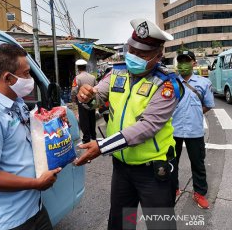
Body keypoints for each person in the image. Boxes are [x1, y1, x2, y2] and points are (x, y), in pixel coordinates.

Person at [74, 18, 184, 230]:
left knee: (159, 225)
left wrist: (102, 146)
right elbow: (98, 97)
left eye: (142, 54)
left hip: (153, 171)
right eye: (131, 50)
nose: (134, 57)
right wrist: (87, 96)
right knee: (122, 224)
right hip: (122, 170)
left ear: (158, 56)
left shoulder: (166, 84)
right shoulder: (117, 73)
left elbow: (147, 127)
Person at [0, 43, 62, 230]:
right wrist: (36, 183)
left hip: (34, 209)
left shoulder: (16, 102)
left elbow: (29, 134)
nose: (30, 79)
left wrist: (55, 120)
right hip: (8, 221)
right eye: (26, 74)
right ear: (8, 78)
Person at [172, 50, 214, 209]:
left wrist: (194, 114)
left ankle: (200, 193)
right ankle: (173, 188)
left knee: (198, 163)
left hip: (194, 131)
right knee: (171, 162)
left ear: (194, 63)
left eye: (186, 61)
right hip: (173, 130)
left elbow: (208, 105)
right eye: (180, 61)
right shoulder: (172, 82)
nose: (183, 65)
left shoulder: (204, 83)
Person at [71, 59, 97, 143]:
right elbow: (96, 88)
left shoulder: (77, 78)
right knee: (92, 117)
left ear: (78, 68)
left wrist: (74, 99)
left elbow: (74, 90)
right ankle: (93, 135)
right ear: (85, 67)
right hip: (92, 100)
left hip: (81, 100)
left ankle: (86, 138)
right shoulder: (92, 77)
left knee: (83, 119)